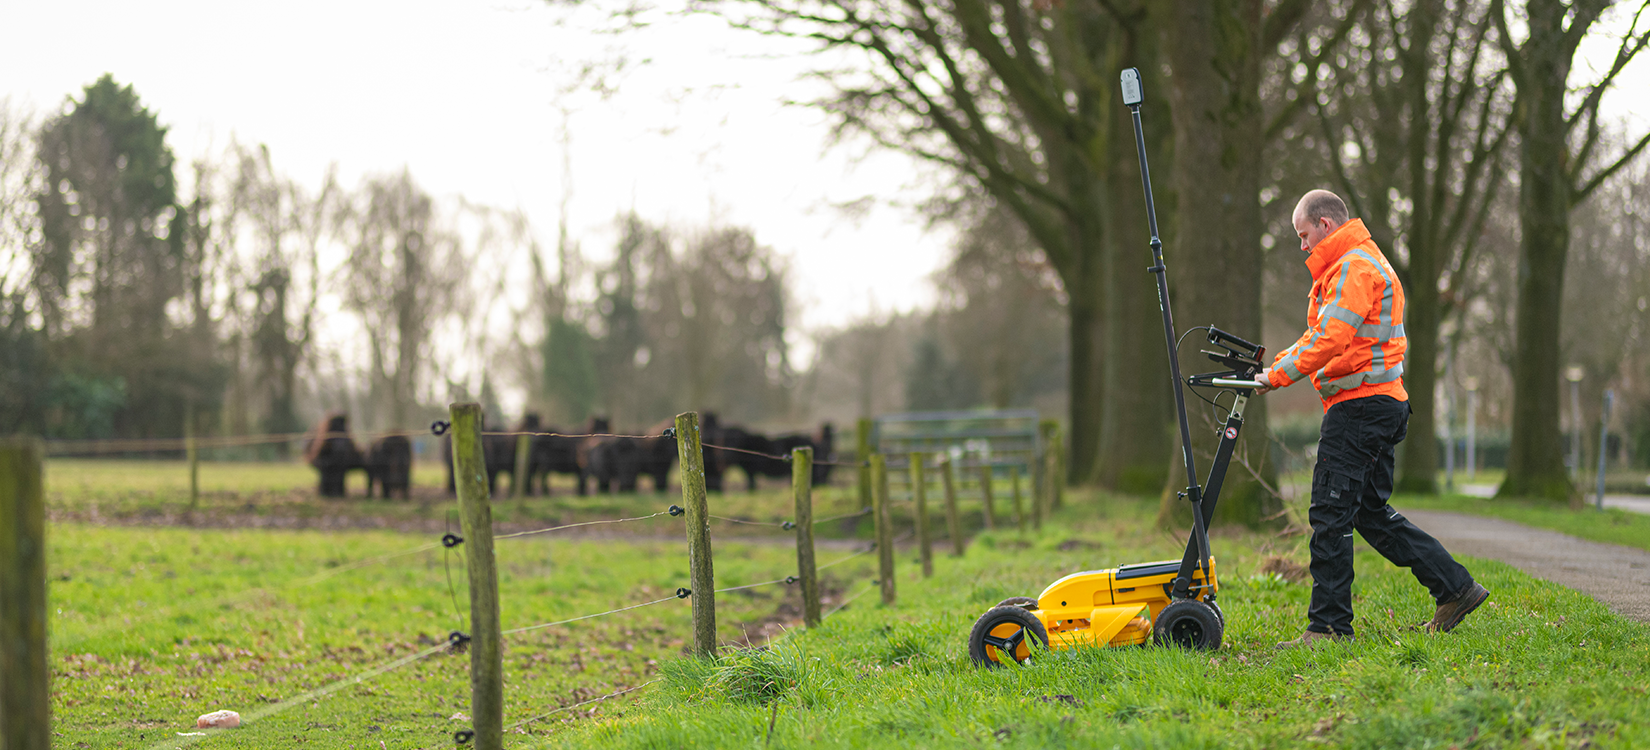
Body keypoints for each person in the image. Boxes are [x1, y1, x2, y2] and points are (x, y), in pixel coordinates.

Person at [1257, 189, 1489, 648]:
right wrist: (1271, 367)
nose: (1302, 246)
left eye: (1304, 235)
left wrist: (1277, 376)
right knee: (1369, 514)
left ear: (1326, 225)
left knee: (1329, 511)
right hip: (1378, 404)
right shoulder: (1354, 266)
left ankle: (1328, 628)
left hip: (1360, 408)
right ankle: (1456, 589)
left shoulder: (1355, 268)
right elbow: (1317, 336)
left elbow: (1329, 338)